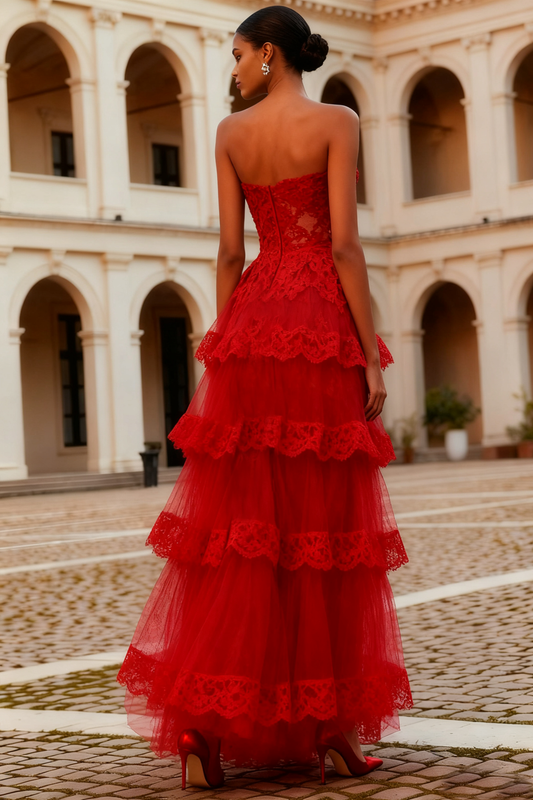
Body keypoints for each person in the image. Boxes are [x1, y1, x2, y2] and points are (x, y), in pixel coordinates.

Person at [117, 5, 412, 788]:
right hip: (317, 326)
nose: (235, 67)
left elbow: (227, 251)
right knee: (322, 532)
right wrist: (368, 359)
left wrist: (227, 346)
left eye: (240, 54)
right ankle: (333, 728)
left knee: (240, 534)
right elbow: (343, 244)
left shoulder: (228, 134)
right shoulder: (336, 122)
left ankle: (202, 733)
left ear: (270, 53)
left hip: (252, 327)